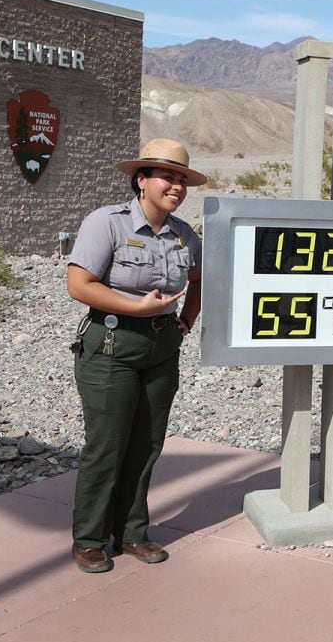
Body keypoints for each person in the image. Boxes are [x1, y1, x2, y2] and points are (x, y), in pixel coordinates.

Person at [67, 138, 204, 573]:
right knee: (107, 445)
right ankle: (89, 538)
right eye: (167, 177)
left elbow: (199, 280)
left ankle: (131, 533)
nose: (176, 186)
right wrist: (137, 308)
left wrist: (186, 320)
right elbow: (80, 284)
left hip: (162, 347)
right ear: (141, 180)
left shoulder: (184, 234)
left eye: (181, 179)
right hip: (112, 345)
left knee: (147, 444)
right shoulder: (106, 223)